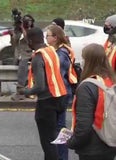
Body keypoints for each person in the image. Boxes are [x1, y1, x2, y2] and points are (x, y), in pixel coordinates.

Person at [19, 27, 67, 160]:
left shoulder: (38, 57)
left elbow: (40, 86)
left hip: (47, 102)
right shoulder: (51, 50)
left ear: (30, 40)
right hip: (60, 97)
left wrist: (25, 91)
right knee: (54, 137)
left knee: (48, 142)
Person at [67, 43, 116, 160]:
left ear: (89, 61)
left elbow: (84, 126)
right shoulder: (111, 81)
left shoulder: (87, 86)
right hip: (109, 141)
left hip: (92, 148)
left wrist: (72, 142)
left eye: (83, 59)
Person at [46, 24, 78, 160]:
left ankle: (62, 157)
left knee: (59, 128)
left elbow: (57, 73)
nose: (46, 38)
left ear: (55, 37)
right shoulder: (58, 51)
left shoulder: (61, 53)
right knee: (59, 126)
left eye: (48, 35)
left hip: (61, 94)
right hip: (62, 93)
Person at [10, 14, 35, 101]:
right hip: (19, 56)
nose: (28, 23)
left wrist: (23, 29)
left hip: (28, 55)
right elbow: (14, 44)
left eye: (29, 21)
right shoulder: (19, 31)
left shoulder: (33, 31)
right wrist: (14, 33)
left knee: (23, 64)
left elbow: (29, 40)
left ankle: (20, 92)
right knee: (22, 63)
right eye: (26, 21)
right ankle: (22, 91)